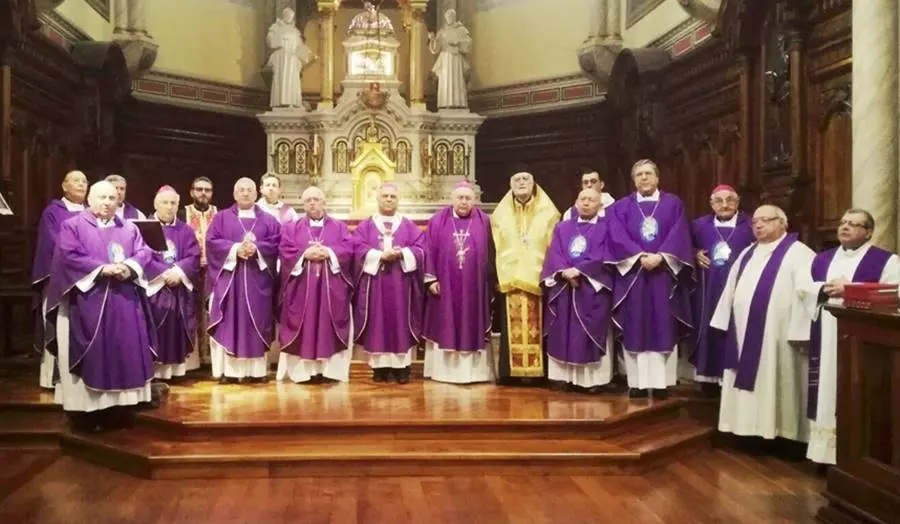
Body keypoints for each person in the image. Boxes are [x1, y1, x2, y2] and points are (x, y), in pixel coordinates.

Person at [44, 181, 156, 432]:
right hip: (88, 301)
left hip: (124, 301)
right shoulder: (72, 226)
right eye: (102, 197)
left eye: (112, 198)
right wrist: (102, 268)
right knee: (95, 352)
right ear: (90, 200)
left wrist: (129, 267)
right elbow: (68, 255)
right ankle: (87, 412)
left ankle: (120, 410)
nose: (107, 202)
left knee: (124, 351)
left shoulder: (128, 228)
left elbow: (144, 252)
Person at [802, 208, 900, 465]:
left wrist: (850, 289)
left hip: (861, 338)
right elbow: (804, 289)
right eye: (843, 222)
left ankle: (854, 456)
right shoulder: (822, 259)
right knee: (826, 389)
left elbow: (894, 294)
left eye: (854, 224)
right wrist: (823, 289)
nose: (845, 227)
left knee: (855, 387)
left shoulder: (886, 261)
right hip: (825, 332)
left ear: (868, 232)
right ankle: (824, 454)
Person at [710, 205, 816, 443]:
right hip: (741, 332)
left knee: (777, 380)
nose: (758, 225)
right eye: (755, 221)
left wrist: (799, 330)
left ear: (782, 223)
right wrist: (724, 322)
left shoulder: (799, 253)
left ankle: (783, 436)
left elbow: (808, 292)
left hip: (777, 336)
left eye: (765, 220)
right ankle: (743, 431)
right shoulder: (747, 253)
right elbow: (730, 291)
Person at [604, 159, 694, 399]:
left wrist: (662, 257)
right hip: (633, 276)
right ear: (634, 180)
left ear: (657, 177)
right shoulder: (620, 207)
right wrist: (640, 255)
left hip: (663, 275)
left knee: (663, 324)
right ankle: (637, 382)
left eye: (648, 174)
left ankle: (663, 382)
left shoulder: (673, 204)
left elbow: (680, 234)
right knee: (635, 325)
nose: (644, 178)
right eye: (639, 175)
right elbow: (616, 235)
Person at [205, 178, 281, 383]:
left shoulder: (269, 220)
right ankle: (231, 372)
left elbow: (276, 244)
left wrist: (257, 249)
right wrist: (234, 249)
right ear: (234, 194)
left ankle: (257, 372)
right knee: (231, 321)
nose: (245, 193)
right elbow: (211, 242)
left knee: (258, 322)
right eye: (241, 190)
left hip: (258, 281)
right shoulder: (221, 218)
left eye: (249, 190)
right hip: (231, 280)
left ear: (256, 193)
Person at [277, 187, 354, 383]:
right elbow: (285, 250)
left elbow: (348, 249)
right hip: (302, 288)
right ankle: (304, 372)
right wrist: (304, 254)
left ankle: (329, 371)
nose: (312, 203)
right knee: (305, 324)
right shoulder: (292, 228)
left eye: (316, 199)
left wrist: (329, 252)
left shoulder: (339, 227)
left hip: (331, 288)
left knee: (328, 323)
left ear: (323, 202)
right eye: (308, 200)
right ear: (303, 204)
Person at [542, 189, 614, 393]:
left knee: (588, 332)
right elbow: (554, 252)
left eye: (591, 200)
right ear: (575, 202)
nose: (586, 203)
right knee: (562, 331)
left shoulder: (606, 228)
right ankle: (563, 378)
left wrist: (580, 271)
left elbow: (604, 255)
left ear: (599, 204)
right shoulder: (562, 227)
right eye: (582, 199)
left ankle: (591, 381)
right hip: (565, 286)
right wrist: (565, 272)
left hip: (591, 288)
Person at [492, 170, 560, 384]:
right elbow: (495, 245)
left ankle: (539, 373)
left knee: (538, 326)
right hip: (510, 275)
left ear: (534, 183)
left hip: (536, 274)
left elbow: (553, 244)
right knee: (509, 327)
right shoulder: (500, 214)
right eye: (516, 180)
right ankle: (510, 373)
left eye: (525, 179)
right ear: (510, 185)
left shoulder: (548, 212)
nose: (521, 183)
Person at [423, 182, 495, 384]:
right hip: (445, 285)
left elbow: (492, 253)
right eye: (460, 198)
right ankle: (444, 372)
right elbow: (428, 249)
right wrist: (431, 278)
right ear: (452, 199)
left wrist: (490, 281)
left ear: (474, 200)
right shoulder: (438, 221)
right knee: (445, 321)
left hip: (475, 286)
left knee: (472, 320)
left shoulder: (484, 221)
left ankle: (475, 373)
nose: (464, 202)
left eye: (468, 198)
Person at [352, 184, 424, 384]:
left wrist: (402, 253)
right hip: (376, 284)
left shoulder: (409, 226)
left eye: (393, 196)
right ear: (378, 198)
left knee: (401, 321)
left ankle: (402, 368)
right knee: (378, 322)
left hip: (402, 284)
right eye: (385, 196)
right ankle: (380, 368)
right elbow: (357, 248)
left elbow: (420, 249)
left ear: (398, 200)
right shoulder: (365, 226)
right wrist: (379, 255)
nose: (389, 199)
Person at [689, 184, 754, 394]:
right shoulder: (699, 226)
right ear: (711, 204)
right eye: (719, 200)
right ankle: (708, 379)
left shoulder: (751, 225)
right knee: (708, 326)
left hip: (739, 288)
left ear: (738, 202)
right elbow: (683, 247)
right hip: (708, 288)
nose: (724, 205)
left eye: (730, 200)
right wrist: (695, 252)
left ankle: (732, 377)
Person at [32, 170, 87, 389]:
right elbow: (54, 242)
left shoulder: (91, 212)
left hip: (87, 279)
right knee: (58, 322)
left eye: (84, 181)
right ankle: (52, 378)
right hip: (60, 278)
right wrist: (82, 259)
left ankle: (79, 377)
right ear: (64, 186)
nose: (81, 185)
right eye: (76, 181)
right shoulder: (53, 213)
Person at [144, 186, 201, 380]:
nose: (169, 207)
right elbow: (140, 255)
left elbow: (194, 256)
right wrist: (163, 274)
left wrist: (178, 272)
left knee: (175, 329)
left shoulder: (185, 230)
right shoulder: (144, 227)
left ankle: (173, 372)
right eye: (165, 202)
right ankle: (153, 372)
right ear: (155, 204)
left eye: (173, 203)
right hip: (154, 289)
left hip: (177, 288)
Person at [178, 176, 218, 365]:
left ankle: (210, 358)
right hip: (190, 272)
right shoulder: (181, 213)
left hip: (213, 272)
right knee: (191, 312)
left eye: (207, 190)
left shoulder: (220, 215)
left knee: (211, 311)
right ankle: (192, 360)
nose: (203, 193)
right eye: (199, 189)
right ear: (192, 192)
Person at [266, 7, 313, 109]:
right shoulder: (276, 27)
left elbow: (300, 46)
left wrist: (305, 52)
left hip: (292, 59)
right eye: (288, 16)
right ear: (284, 16)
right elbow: (270, 40)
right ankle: (279, 102)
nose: (289, 18)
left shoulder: (295, 31)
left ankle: (292, 101)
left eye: (291, 16)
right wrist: (280, 41)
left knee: (292, 80)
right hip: (281, 58)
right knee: (281, 79)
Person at [427, 9, 472, 109]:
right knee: (446, 80)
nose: (449, 18)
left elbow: (468, 43)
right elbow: (435, 49)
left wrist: (458, 43)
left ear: (454, 17)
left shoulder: (461, 30)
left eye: (451, 16)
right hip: (446, 59)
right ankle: (445, 103)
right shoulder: (442, 32)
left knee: (457, 80)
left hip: (456, 58)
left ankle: (459, 104)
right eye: (447, 17)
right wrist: (433, 39)